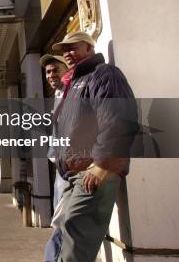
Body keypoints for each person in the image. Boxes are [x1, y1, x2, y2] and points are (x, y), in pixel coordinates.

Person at [50, 32, 138, 262]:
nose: (66, 53)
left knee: (75, 244)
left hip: (94, 172)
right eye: (63, 50)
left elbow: (118, 120)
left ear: (89, 48)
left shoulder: (104, 74)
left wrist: (101, 166)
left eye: (72, 47)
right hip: (74, 174)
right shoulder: (76, 81)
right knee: (65, 238)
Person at [39, 54, 68, 262]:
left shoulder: (73, 91)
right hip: (60, 167)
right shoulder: (58, 93)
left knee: (62, 221)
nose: (50, 75)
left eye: (55, 70)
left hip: (73, 167)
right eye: (48, 72)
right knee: (59, 219)